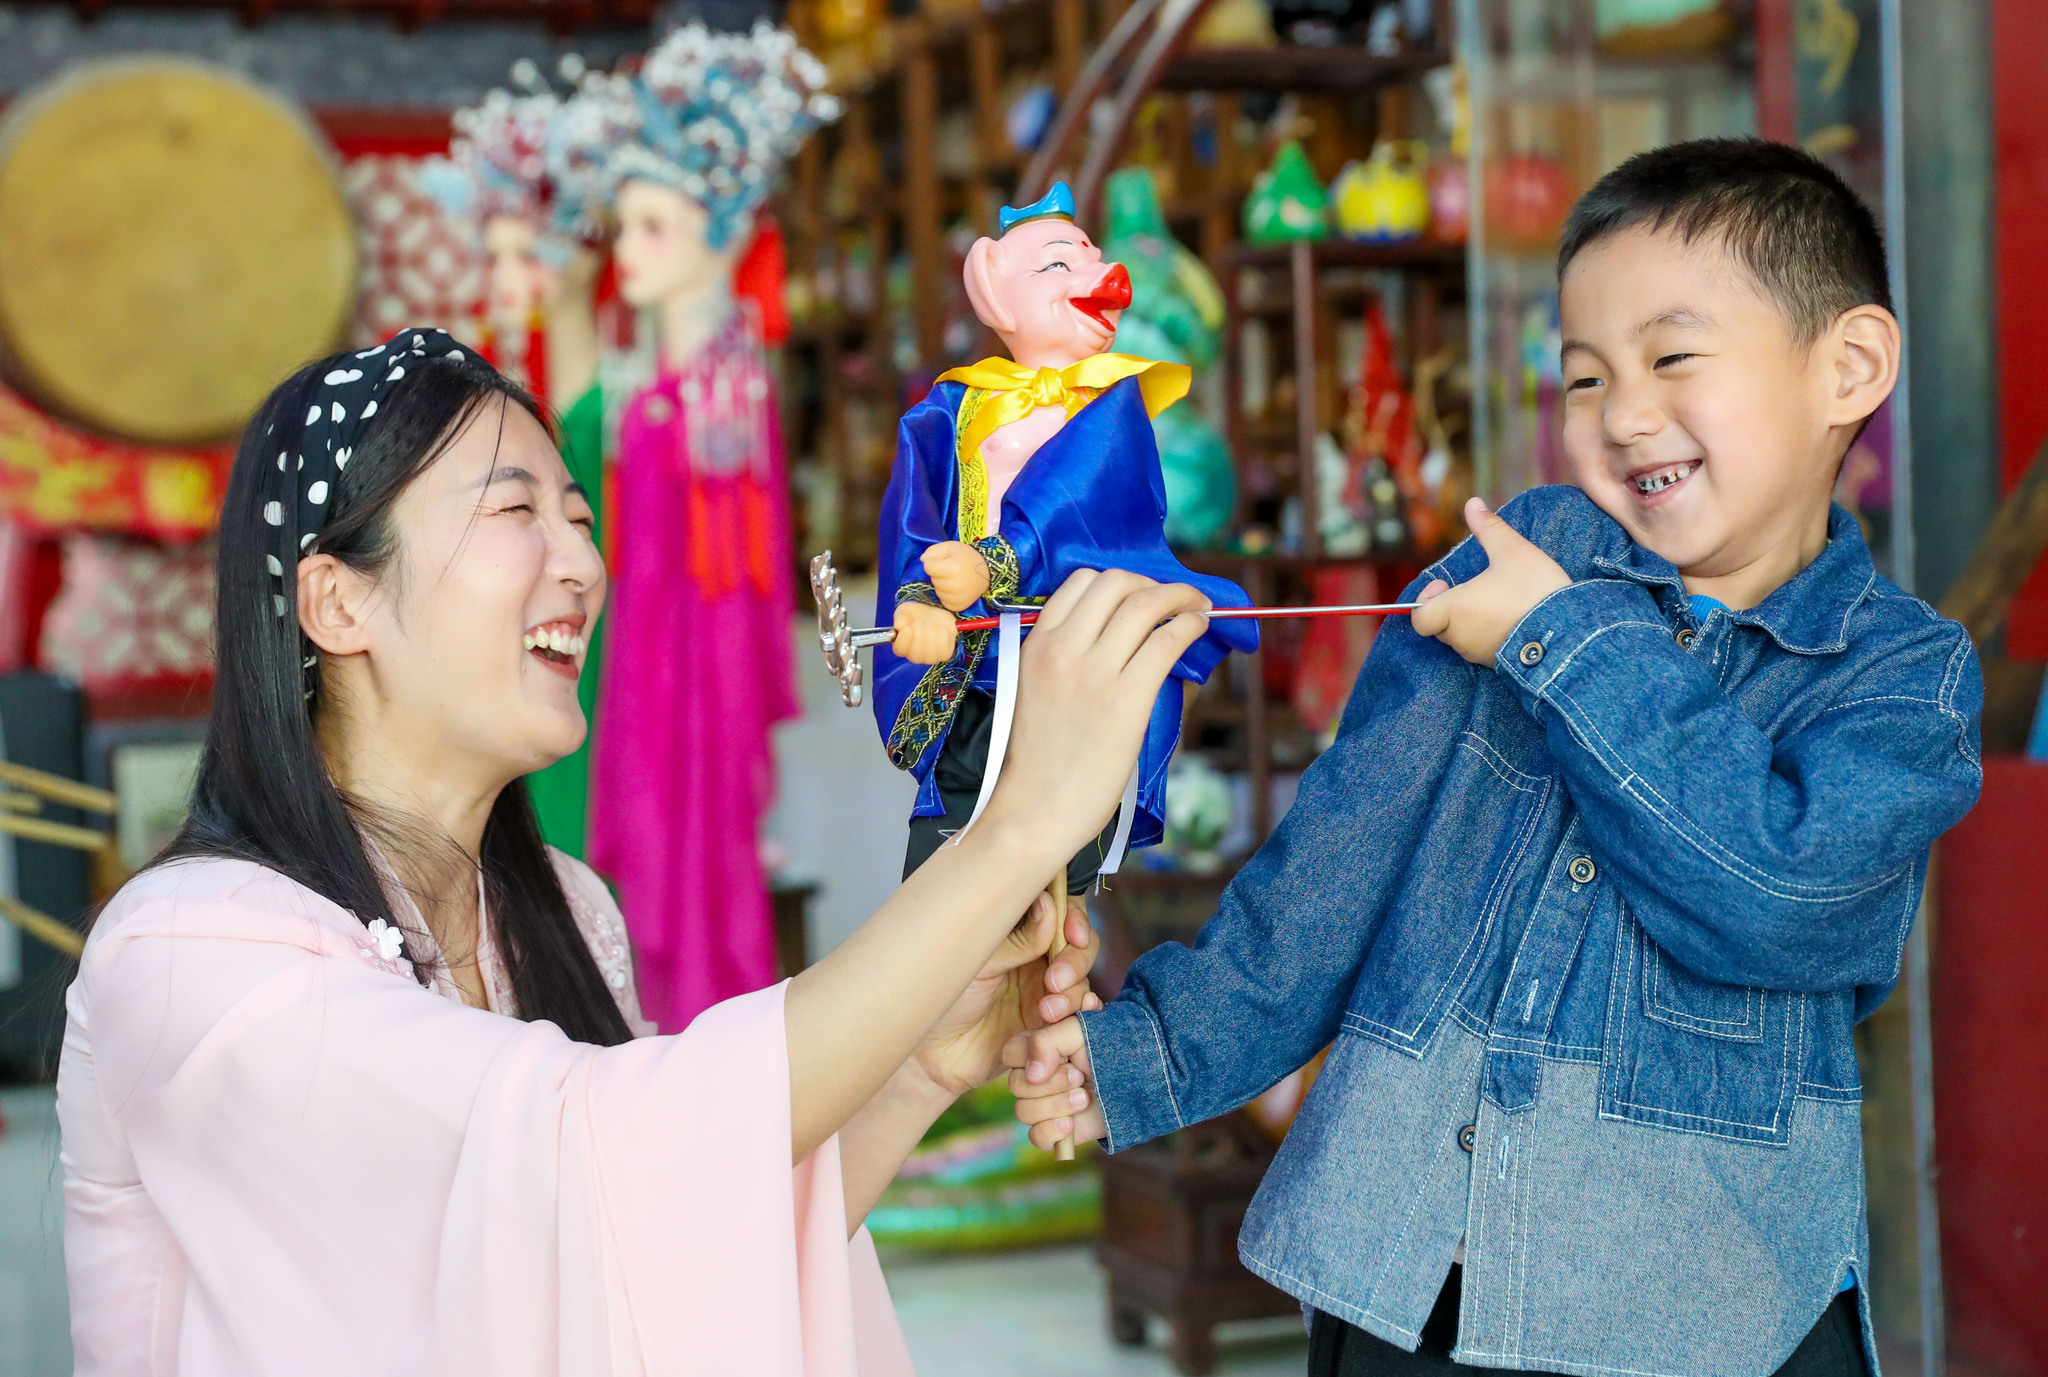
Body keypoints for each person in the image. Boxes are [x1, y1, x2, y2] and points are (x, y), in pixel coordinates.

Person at [56, 328, 1212, 1375]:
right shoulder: (192, 955)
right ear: (336, 602)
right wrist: (1013, 829)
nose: (580, 564)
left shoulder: (562, 908)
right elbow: (599, 1153)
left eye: (580, 519)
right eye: (516, 513)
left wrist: (922, 1068)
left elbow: (673, 1239)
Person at [1008, 139, 1984, 1377]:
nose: (1621, 414)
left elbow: (1776, 897)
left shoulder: (1901, 673)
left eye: (1671, 357)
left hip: (1709, 1315)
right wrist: (1140, 1057)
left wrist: (1559, 641)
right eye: (1582, 376)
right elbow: (1333, 870)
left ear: (1847, 367)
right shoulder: (1523, 554)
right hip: (1403, 1281)